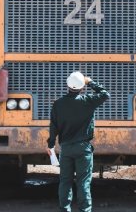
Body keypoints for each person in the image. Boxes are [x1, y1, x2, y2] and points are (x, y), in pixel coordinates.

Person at [47, 71, 110, 212]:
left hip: (66, 148)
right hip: (83, 149)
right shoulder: (87, 101)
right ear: (82, 87)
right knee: (83, 183)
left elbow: (53, 127)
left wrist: (50, 145)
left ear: (67, 85)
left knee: (65, 182)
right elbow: (105, 94)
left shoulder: (58, 104)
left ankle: (64, 209)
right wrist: (91, 82)